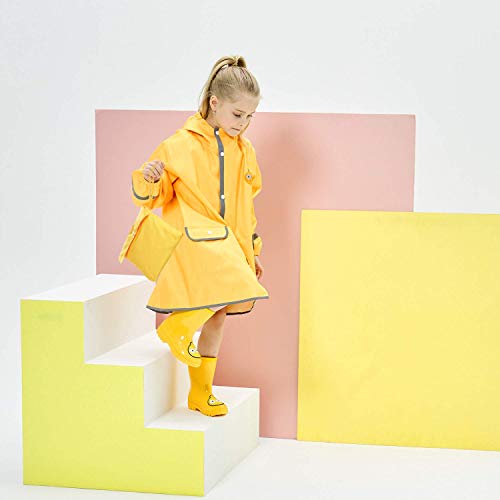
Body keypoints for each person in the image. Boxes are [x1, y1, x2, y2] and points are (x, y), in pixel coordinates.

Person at [130, 54, 269, 417]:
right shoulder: (178, 145)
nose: (243, 123)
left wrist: (252, 249)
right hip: (192, 241)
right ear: (214, 102)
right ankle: (177, 328)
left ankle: (200, 392)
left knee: (218, 314)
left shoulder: (245, 151)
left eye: (250, 116)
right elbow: (154, 195)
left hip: (229, 243)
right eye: (238, 114)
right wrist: (150, 178)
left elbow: (247, 205)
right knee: (230, 288)